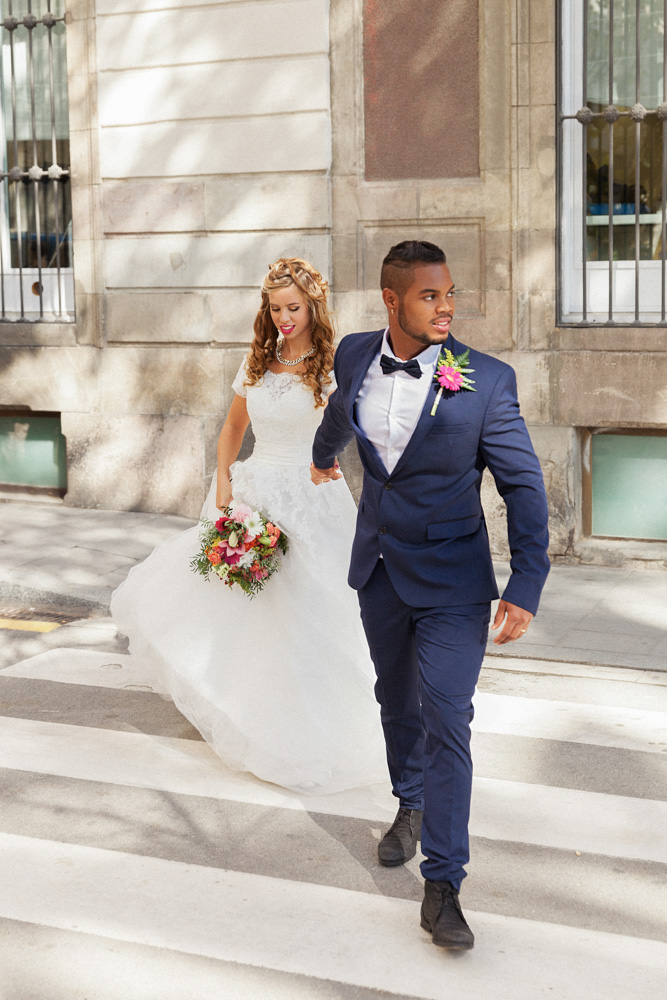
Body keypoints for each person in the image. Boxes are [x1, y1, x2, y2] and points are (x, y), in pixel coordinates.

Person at [311, 240, 550, 950]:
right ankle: (407, 803)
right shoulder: (355, 352)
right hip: (379, 569)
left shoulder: (485, 381)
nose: (446, 307)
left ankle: (443, 884)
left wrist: (525, 584)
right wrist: (323, 455)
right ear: (391, 300)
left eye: (449, 294)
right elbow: (340, 408)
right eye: (429, 296)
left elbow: (523, 487)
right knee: (396, 701)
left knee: (449, 719)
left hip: (452, 581)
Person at [111, 258, 387, 795]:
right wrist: (222, 486)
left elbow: (351, 427)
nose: (284, 317)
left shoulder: (331, 365)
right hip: (255, 490)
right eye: (275, 308)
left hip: (311, 496)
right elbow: (234, 426)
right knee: (245, 611)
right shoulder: (257, 360)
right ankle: (247, 711)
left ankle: (314, 722)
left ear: (313, 307)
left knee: (311, 613)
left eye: (294, 308)